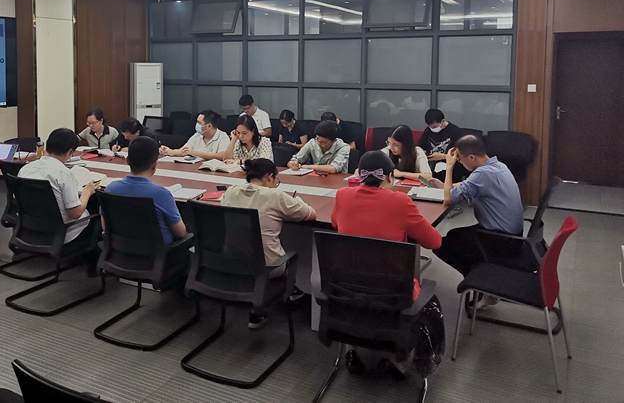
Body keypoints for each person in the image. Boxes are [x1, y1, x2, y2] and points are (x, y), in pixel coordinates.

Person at [328, 151, 442, 376]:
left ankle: (350, 348)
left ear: (359, 174)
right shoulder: (400, 201)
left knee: (359, 271)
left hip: (346, 289)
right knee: (422, 295)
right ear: (389, 176)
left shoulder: (342, 195)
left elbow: (334, 223)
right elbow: (434, 242)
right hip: (392, 293)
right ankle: (394, 357)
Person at [428, 135, 537, 298]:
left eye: (460, 160)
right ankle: (482, 280)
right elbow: (469, 185)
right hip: (513, 236)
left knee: (441, 245)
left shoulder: (482, 174)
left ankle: (482, 284)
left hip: (501, 241)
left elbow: (448, 199)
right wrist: (445, 186)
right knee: (453, 236)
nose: (460, 163)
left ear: (471, 157)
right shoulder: (497, 165)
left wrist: (449, 168)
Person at [221, 158, 316, 329]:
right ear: (269, 177)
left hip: (233, 261)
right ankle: (286, 292)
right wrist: (299, 202)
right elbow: (311, 214)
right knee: (280, 247)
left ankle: (261, 299)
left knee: (261, 239)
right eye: (276, 180)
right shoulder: (275, 195)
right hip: (267, 267)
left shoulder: (230, 191)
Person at [18, 128, 101, 250]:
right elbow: (76, 213)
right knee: (95, 212)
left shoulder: (25, 169)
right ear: (70, 152)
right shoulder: (64, 174)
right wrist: (87, 192)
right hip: (60, 232)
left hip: (30, 228)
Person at [105, 137, 187, 245]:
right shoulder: (162, 195)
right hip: (158, 252)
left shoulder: (110, 188)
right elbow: (181, 233)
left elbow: (105, 226)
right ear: (154, 164)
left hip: (119, 248)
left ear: (127, 160)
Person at [159, 110, 229, 160]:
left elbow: (223, 156)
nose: (196, 125)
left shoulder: (222, 137)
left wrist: (195, 153)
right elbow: (184, 151)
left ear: (209, 126)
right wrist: (169, 151)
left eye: (199, 123)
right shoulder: (197, 135)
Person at [418, 109, 464, 180]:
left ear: (442, 121)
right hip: (431, 165)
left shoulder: (455, 131)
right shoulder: (428, 131)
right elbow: (420, 147)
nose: (432, 129)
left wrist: (443, 156)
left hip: (451, 167)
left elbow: (461, 156)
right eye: (430, 127)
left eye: (434, 127)